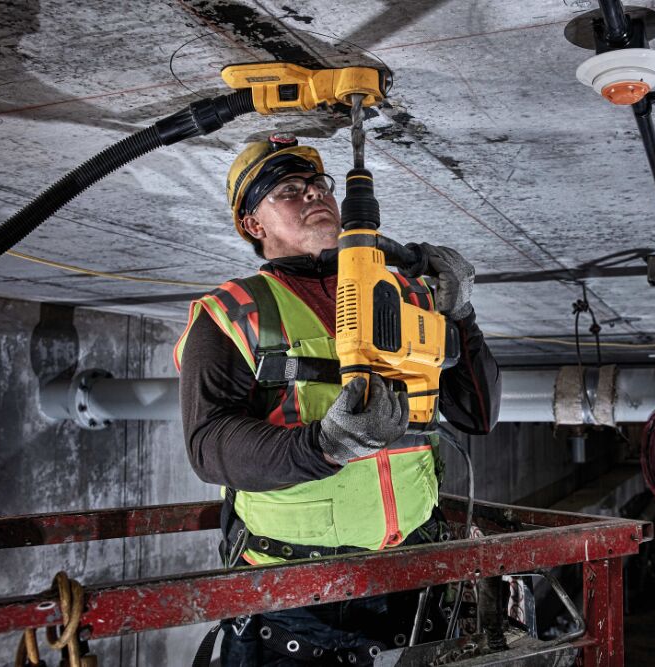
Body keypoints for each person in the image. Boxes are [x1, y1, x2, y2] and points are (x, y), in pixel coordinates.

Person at [175, 132, 501, 666]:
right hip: (291, 598)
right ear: (254, 225)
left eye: (317, 184)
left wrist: (462, 316)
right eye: (287, 189)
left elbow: (478, 414)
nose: (313, 195)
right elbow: (208, 444)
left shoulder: (406, 295)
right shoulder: (230, 313)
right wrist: (324, 445)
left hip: (411, 578)